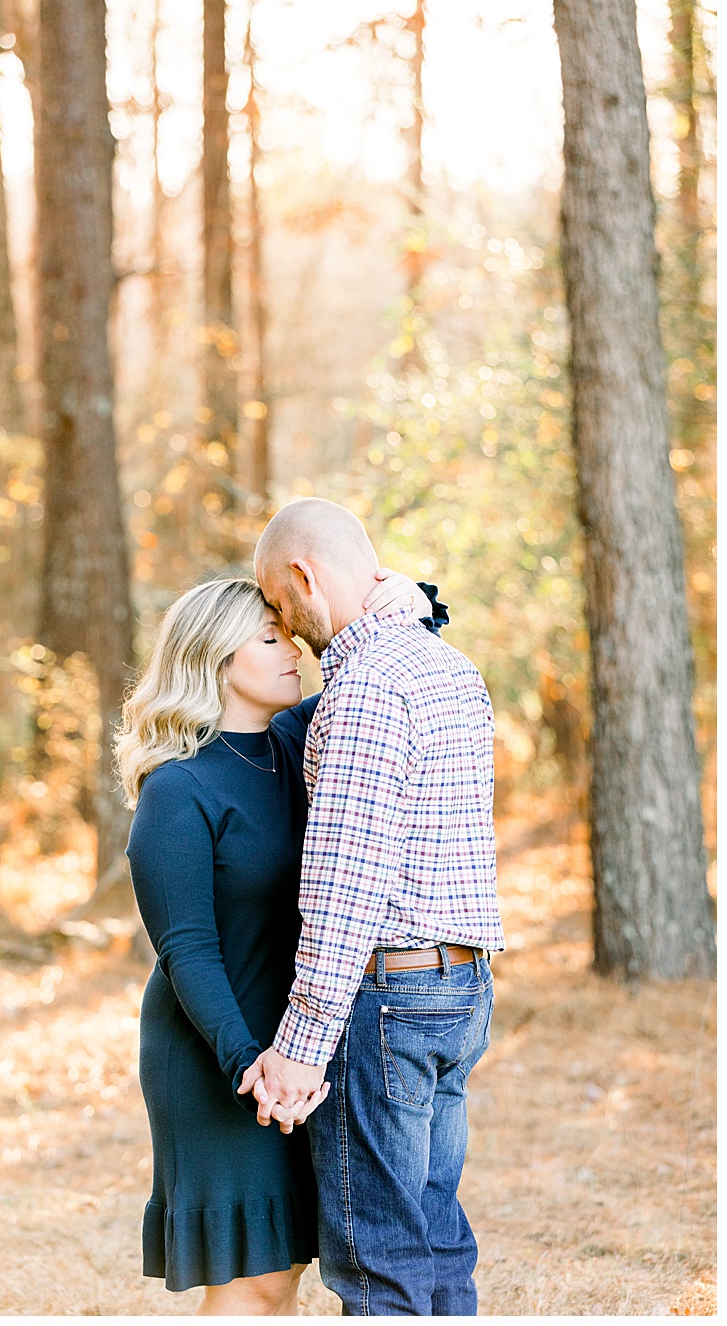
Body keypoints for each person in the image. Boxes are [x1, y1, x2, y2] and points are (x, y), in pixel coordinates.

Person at [120, 567, 438, 1313]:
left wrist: (414, 599)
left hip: (303, 1049)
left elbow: (390, 662)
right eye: (270, 639)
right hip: (219, 1055)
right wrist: (252, 1069)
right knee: (252, 1285)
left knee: (286, 1273)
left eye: (289, 634)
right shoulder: (177, 788)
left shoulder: (298, 741)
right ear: (215, 657)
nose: (295, 650)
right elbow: (186, 950)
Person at [240, 497, 504, 1316]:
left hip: (387, 998)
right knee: (435, 1236)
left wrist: (301, 1046)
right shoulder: (448, 666)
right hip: (460, 988)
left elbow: (345, 887)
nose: (287, 633)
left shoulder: (365, 692)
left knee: (378, 1259)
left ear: (305, 577)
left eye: (278, 605)